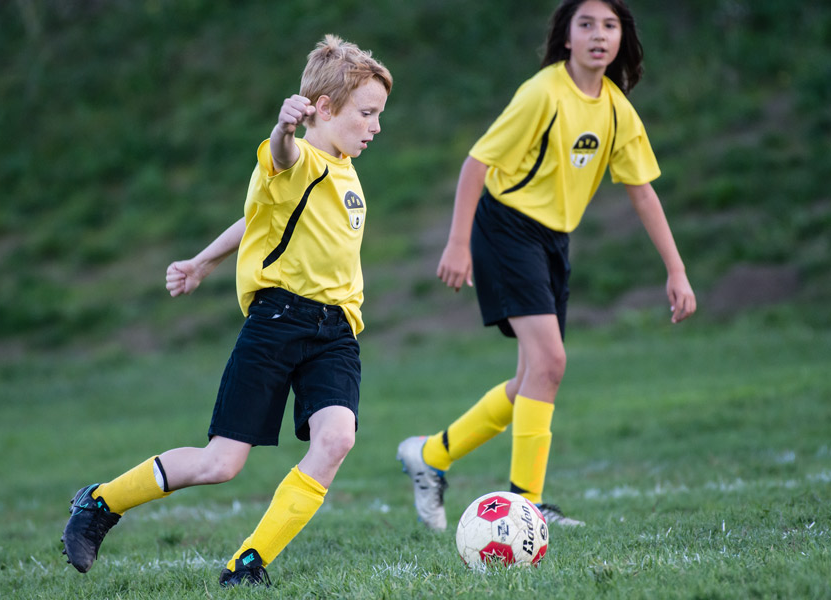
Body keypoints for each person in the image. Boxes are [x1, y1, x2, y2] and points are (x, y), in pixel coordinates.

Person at [61, 34, 392, 588]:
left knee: (337, 437)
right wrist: (283, 128)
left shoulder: (344, 170)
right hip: (279, 322)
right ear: (325, 109)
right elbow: (280, 162)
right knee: (221, 464)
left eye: (380, 114)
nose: (376, 125)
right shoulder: (298, 158)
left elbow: (258, 218)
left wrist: (203, 261)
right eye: (367, 113)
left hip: (335, 331)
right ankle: (98, 504)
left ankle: (248, 564)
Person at [397, 0, 696, 531]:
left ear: (621, 39)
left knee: (532, 378)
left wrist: (676, 270)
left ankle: (432, 455)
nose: (599, 36)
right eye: (587, 25)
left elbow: (643, 194)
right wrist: (458, 243)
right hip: (506, 226)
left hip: (553, 239)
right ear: (567, 38)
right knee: (551, 364)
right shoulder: (542, 93)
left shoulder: (615, 108)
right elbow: (476, 163)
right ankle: (526, 505)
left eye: (610, 26)